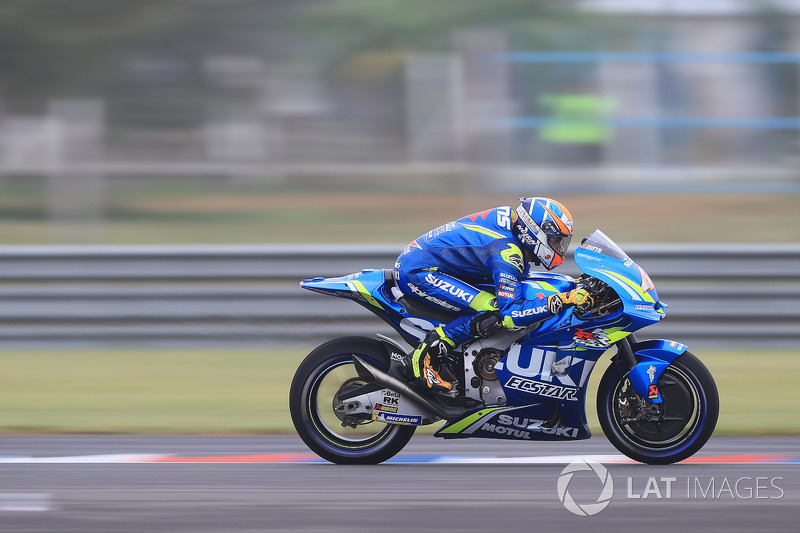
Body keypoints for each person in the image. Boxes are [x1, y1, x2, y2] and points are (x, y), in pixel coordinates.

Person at [395, 197, 593, 395]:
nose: (558, 248)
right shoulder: (507, 251)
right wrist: (560, 300)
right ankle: (425, 355)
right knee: (493, 309)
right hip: (420, 272)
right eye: (555, 240)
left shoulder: (515, 225)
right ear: (535, 232)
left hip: (436, 264)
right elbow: (511, 316)